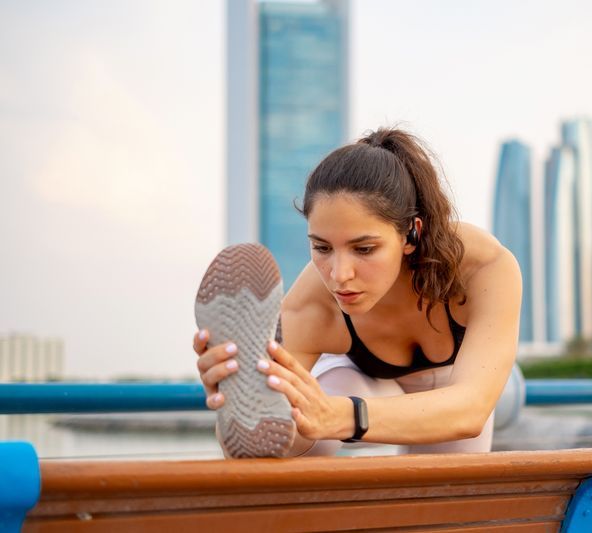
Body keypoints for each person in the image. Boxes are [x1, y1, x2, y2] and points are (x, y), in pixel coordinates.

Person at [193, 128, 522, 456]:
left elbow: (470, 409)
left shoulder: (484, 268)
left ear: (411, 233)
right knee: (317, 399)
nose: (339, 275)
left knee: (454, 497)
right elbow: (266, 444)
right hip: (361, 386)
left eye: (364, 249)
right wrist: (236, 401)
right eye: (322, 247)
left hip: (456, 396)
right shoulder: (311, 307)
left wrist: (339, 416)